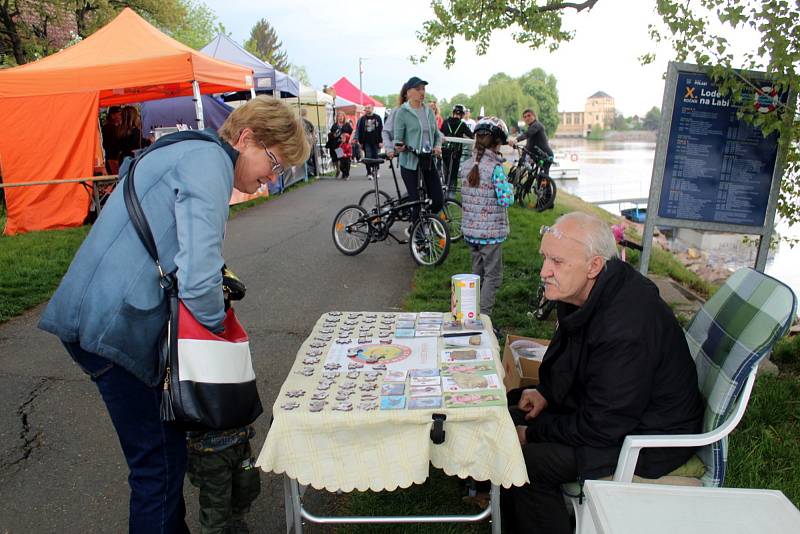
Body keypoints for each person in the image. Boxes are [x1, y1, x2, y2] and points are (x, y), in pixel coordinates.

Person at [38, 96, 309, 534]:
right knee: (158, 467)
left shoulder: (185, 148)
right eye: (274, 164)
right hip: (114, 325)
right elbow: (199, 279)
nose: (269, 181)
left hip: (98, 315)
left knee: (160, 458)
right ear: (247, 138)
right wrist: (219, 331)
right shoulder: (209, 163)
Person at [501, 211, 704, 534]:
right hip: (614, 413)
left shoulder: (625, 326)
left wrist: (534, 433)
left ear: (594, 265)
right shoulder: (584, 290)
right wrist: (545, 394)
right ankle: (508, 511)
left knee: (527, 462)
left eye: (556, 262)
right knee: (505, 414)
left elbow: (604, 425)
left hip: (649, 438)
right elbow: (575, 362)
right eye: (544, 258)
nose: (544, 271)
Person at [460, 117, 514, 319]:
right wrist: (511, 187)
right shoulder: (495, 169)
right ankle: (484, 317)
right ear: (498, 143)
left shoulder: (466, 166)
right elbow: (506, 199)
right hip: (490, 235)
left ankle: (470, 311)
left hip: (471, 232)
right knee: (493, 276)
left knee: (476, 275)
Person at [392, 76, 444, 223]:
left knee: (438, 199)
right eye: (418, 89)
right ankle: (417, 235)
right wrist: (399, 146)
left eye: (423, 89)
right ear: (409, 92)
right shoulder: (402, 112)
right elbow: (398, 137)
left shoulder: (428, 111)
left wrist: (437, 145)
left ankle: (424, 223)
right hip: (410, 162)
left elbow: (436, 134)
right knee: (416, 203)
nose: (422, 92)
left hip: (427, 160)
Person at [440, 104, 474, 194]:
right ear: (462, 115)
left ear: (453, 113)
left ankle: (444, 192)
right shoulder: (462, 124)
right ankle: (451, 196)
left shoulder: (445, 122)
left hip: (445, 152)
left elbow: (440, 133)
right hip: (456, 153)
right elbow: (472, 135)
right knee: (453, 174)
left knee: (446, 172)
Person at [514, 108, 554, 175]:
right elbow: (528, 145)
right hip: (536, 156)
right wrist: (523, 156)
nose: (527, 118)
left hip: (546, 156)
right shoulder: (530, 127)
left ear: (534, 116)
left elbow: (527, 134)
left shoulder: (537, 125)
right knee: (531, 175)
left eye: (529, 115)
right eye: (525, 117)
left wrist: (516, 140)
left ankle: (545, 184)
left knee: (543, 179)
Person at [354, 105, 383, 180]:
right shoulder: (362, 119)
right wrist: (359, 141)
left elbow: (381, 130)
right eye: (366, 108)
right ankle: (369, 172)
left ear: (372, 109)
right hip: (366, 141)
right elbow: (358, 130)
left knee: (376, 156)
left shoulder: (377, 118)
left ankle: (376, 171)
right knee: (368, 157)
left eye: (369, 108)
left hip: (376, 141)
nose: (367, 110)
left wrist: (381, 141)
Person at [326, 111, 353, 178]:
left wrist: (349, 140)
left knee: (341, 159)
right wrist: (333, 135)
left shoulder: (347, 125)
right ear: (337, 117)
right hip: (335, 144)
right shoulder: (334, 126)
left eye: (342, 116)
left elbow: (352, 132)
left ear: (344, 117)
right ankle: (338, 169)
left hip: (343, 146)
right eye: (339, 116)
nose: (340, 118)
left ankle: (343, 172)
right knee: (335, 159)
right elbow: (331, 134)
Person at [102, 105, 123, 174]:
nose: (121, 116)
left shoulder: (110, 127)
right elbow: (113, 145)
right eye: (119, 114)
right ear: (112, 116)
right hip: (113, 160)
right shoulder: (110, 128)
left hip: (111, 159)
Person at [299, 108, 318, 176]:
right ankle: (310, 172)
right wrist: (313, 140)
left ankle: (308, 172)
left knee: (305, 157)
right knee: (309, 157)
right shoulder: (308, 121)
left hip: (302, 141)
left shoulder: (298, 121)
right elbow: (313, 132)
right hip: (308, 141)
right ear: (306, 113)